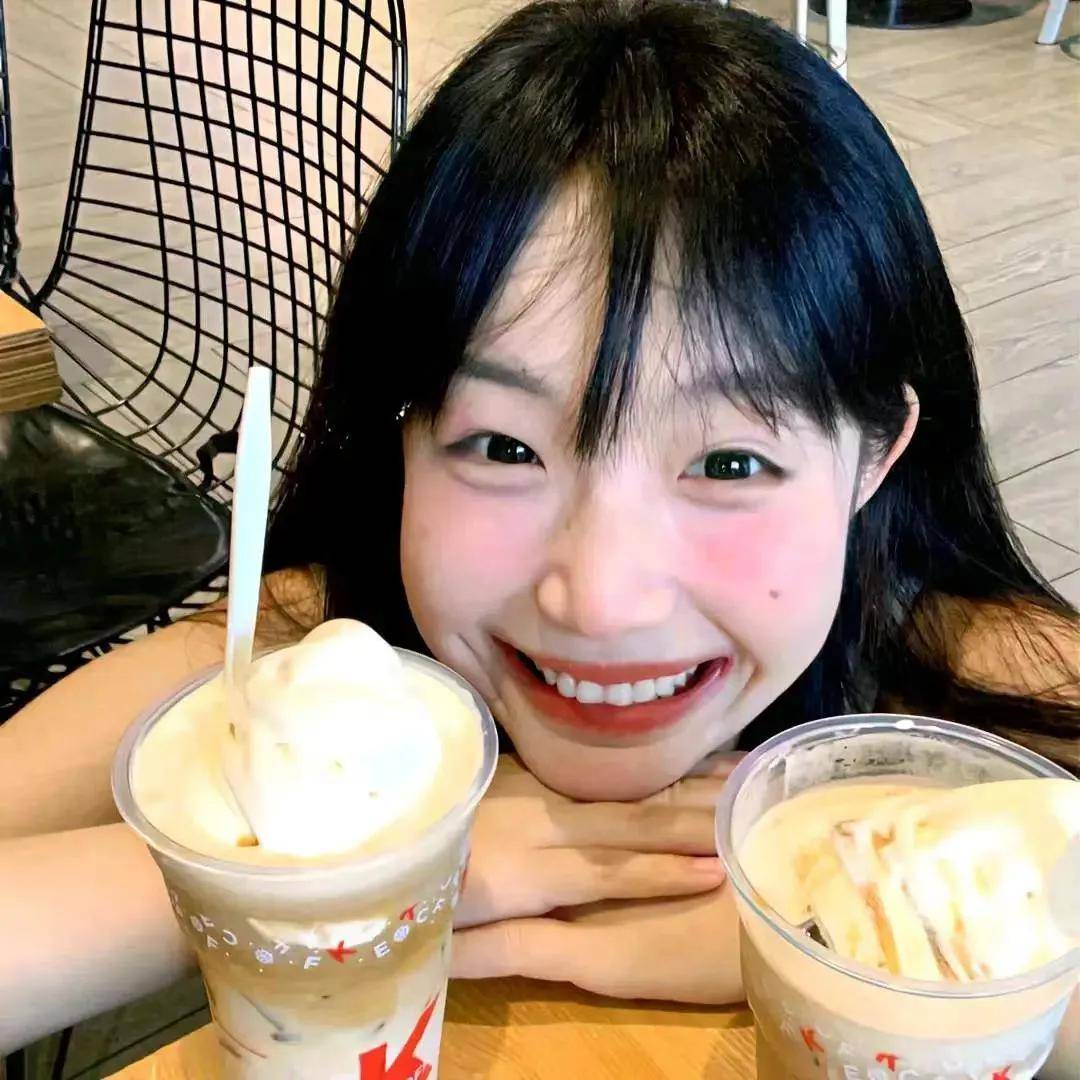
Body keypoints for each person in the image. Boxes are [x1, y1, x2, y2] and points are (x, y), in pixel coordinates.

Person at [2, 0, 1077, 1061]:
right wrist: (341, 874)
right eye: (503, 447)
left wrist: (839, 940)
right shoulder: (306, 656)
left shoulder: (958, 678)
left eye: (730, 463)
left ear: (874, 457)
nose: (600, 599)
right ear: (400, 439)